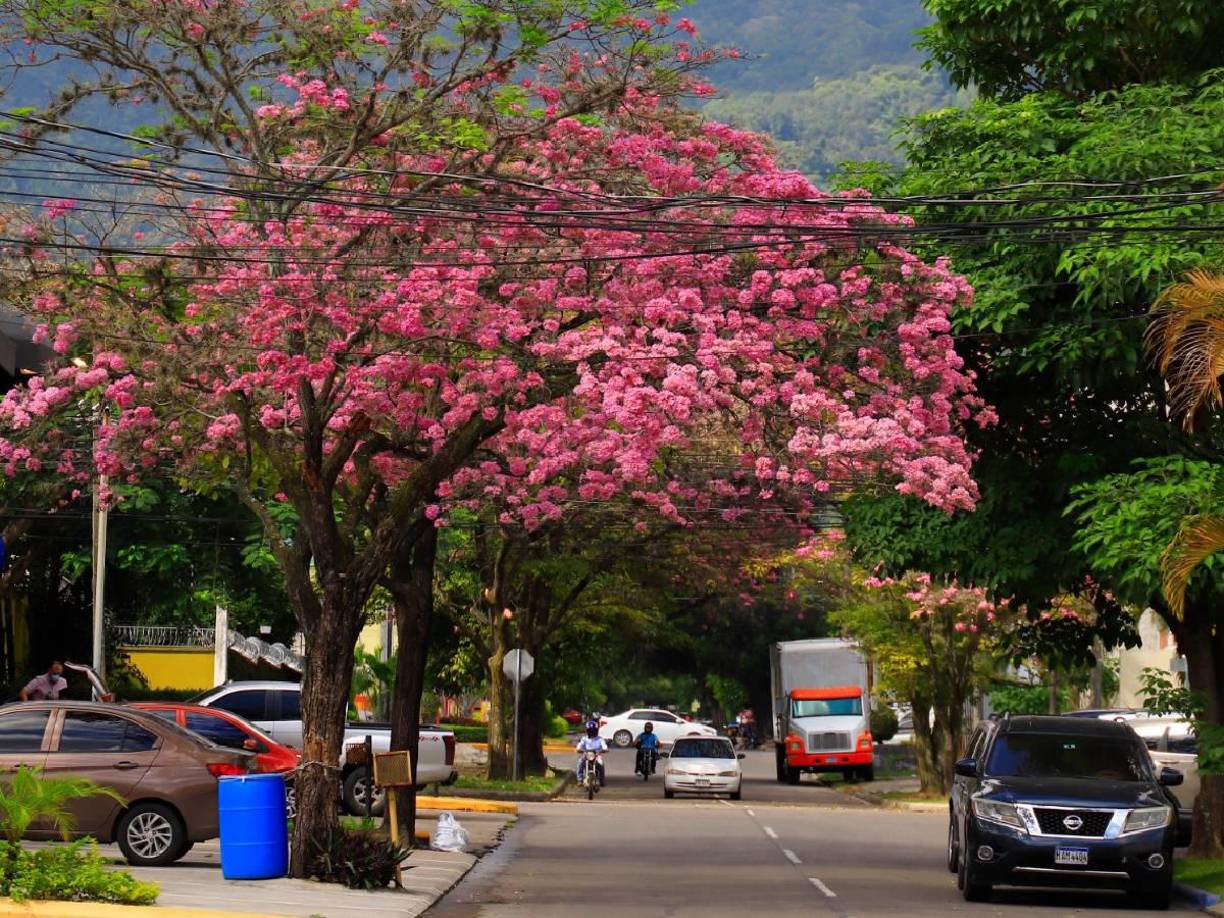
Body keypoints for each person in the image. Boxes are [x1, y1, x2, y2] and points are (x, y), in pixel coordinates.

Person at [576, 720, 608, 786]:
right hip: (586, 755)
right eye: (590, 731)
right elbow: (579, 745)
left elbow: (604, 746)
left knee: (601, 764)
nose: (592, 732)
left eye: (593, 730)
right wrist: (579, 749)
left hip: (597, 755)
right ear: (587, 731)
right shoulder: (584, 739)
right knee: (580, 762)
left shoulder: (600, 739)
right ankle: (580, 779)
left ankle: (602, 780)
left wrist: (605, 749)